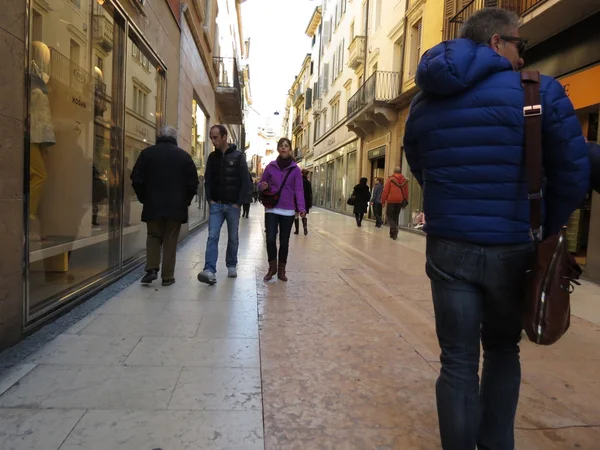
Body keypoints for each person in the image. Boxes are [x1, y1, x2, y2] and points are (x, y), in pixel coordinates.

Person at [404, 8, 590, 449]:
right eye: (518, 45)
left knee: (457, 361)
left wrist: (449, 204)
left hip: (448, 246)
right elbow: (573, 173)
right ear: (496, 44)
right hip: (513, 247)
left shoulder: (424, 101)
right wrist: (545, 225)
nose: (522, 58)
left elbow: (419, 164)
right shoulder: (538, 91)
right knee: (503, 350)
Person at [131, 126, 199, 286]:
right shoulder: (184, 157)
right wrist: (186, 201)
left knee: (153, 236)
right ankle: (167, 277)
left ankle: (152, 269)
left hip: (153, 204)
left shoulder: (147, 154)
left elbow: (136, 179)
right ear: (175, 138)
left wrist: (144, 198)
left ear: (159, 135)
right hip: (176, 207)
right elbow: (193, 184)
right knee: (170, 239)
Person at [197, 125, 251, 285]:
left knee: (233, 238)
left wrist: (239, 203)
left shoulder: (239, 156)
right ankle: (209, 270)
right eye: (211, 137)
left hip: (233, 206)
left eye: (215, 137)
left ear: (224, 137)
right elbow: (208, 180)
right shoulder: (212, 158)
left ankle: (232, 265)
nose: (213, 141)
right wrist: (210, 200)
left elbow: (245, 182)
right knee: (212, 237)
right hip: (216, 206)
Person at [259, 138, 306, 281]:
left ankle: (281, 270)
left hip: (288, 210)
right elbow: (261, 183)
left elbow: (299, 189)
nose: (284, 148)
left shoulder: (295, 169)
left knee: (284, 241)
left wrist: (302, 207)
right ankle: (272, 267)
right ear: (278, 149)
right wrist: (262, 186)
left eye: (286, 146)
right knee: (271, 239)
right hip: (272, 208)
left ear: (290, 149)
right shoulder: (270, 167)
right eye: (281, 146)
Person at [381, 167, 409, 240]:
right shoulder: (404, 180)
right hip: (400, 201)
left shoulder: (390, 179)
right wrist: (405, 202)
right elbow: (406, 193)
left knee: (389, 216)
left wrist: (383, 201)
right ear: (400, 172)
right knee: (395, 216)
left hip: (391, 200)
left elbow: (385, 191)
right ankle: (393, 234)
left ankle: (394, 229)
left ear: (394, 172)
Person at [294, 169, 313, 235]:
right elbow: (310, 193)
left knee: (296, 215)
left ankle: (297, 230)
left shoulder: (298, 182)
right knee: (303, 215)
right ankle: (305, 229)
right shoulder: (308, 183)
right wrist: (310, 203)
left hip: (297, 199)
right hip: (305, 201)